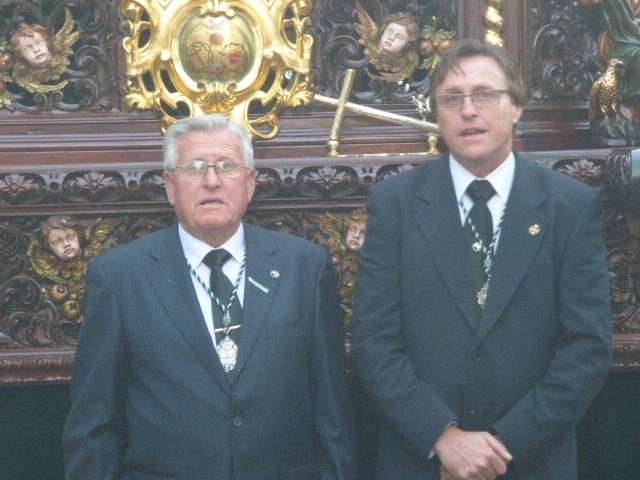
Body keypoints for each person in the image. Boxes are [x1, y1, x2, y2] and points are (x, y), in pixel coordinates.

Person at [352, 39, 612, 480]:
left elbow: (586, 347)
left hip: (532, 461)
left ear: (517, 107)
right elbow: (374, 342)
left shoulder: (569, 206)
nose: (468, 111)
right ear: (437, 114)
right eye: (452, 98)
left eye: (485, 95)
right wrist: (441, 437)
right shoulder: (395, 204)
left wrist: (501, 447)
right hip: (422, 460)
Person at [63, 114, 356, 480]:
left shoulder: (305, 267)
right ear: (170, 186)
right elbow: (93, 425)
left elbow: (333, 414)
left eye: (227, 166)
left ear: (250, 183)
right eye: (195, 167)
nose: (212, 181)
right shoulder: (120, 276)